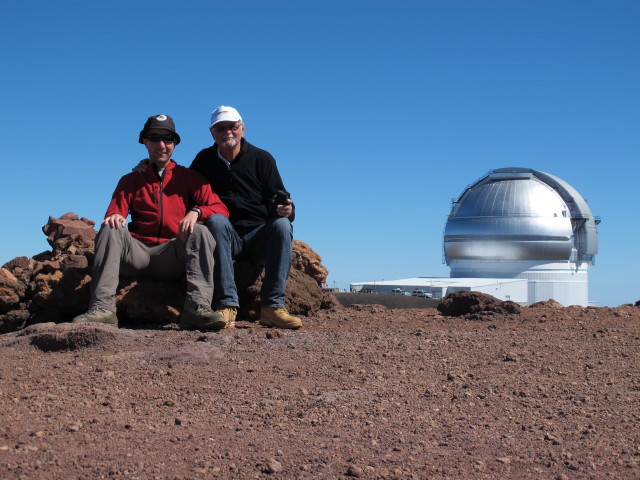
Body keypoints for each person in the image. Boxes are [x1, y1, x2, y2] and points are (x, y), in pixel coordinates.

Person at [73, 114, 230, 330]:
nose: (161, 145)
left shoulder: (189, 178)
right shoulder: (130, 180)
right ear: (145, 141)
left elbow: (220, 208)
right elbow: (114, 213)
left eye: (167, 139)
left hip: (171, 255)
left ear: (175, 143)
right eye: (154, 138)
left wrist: (196, 211)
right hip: (136, 255)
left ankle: (197, 309)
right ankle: (102, 309)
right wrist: (117, 215)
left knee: (201, 232)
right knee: (110, 228)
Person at [189, 106, 302, 329]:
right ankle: (227, 305)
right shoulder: (204, 160)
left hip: (258, 235)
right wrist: (147, 168)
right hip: (226, 237)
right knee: (217, 220)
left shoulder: (262, 158)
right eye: (220, 128)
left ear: (242, 128)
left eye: (232, 126)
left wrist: (288, 210)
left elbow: (279, 194)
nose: (227, 132)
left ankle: (272, 306)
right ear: (212, 133)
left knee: (281, 225)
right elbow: (182, 185)